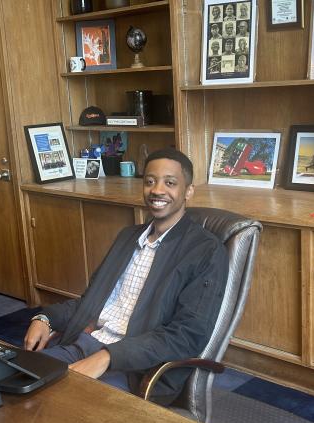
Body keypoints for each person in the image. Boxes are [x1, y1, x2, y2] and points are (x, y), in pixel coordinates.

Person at [24, 149, 229, 405]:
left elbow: (188, 334)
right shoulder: (128, 237)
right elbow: (89, 302)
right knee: (19, 382)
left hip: (136, 370)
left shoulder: (205, 250)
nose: (157, 190)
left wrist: (108, 356)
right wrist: (45, 318)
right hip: (85, 343)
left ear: (188, 191)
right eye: (150, 181)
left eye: (170, 182)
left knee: (62, 406)